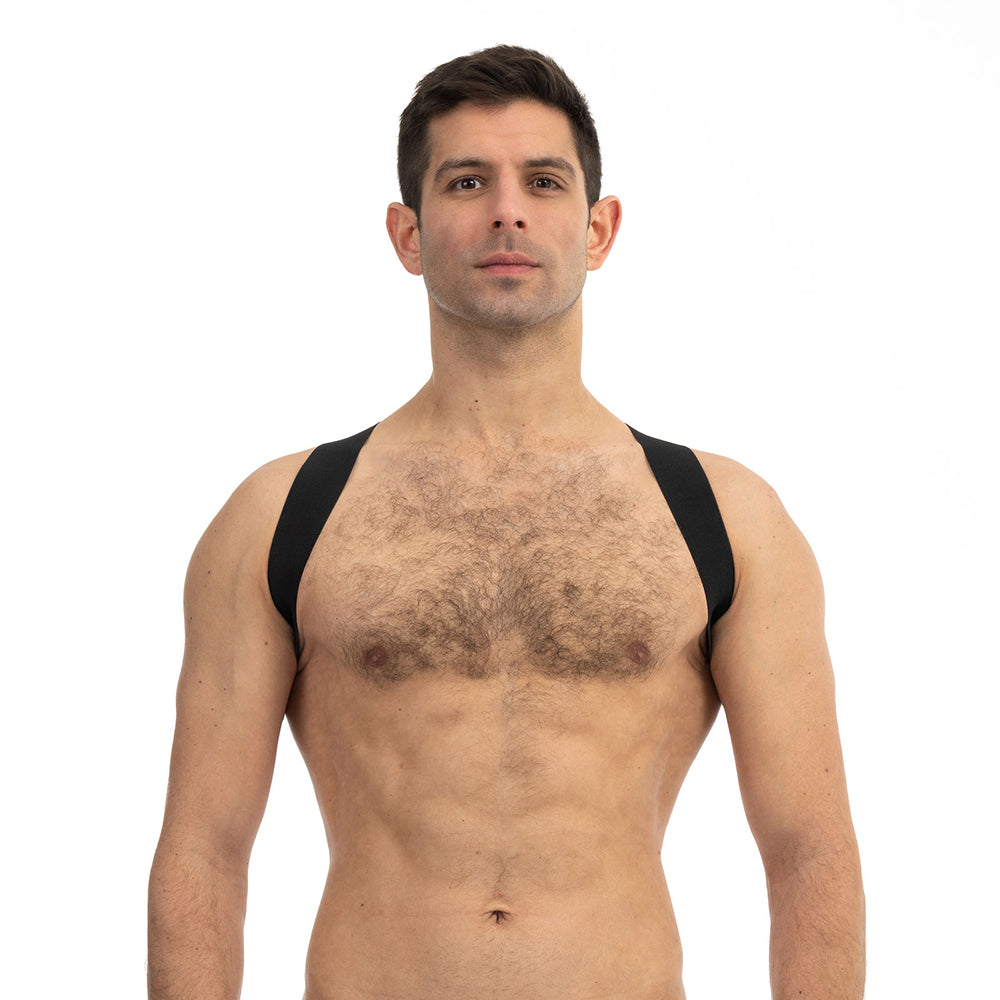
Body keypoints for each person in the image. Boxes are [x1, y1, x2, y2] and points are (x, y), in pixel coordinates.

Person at [148, 45, 865, 1000]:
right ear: (407, 234)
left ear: (598, 229)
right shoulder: (282, 516)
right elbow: (204, 850)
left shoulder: (727, 519)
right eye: (467, 181)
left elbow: (809, 852)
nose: (507, 211)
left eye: (544, 181)